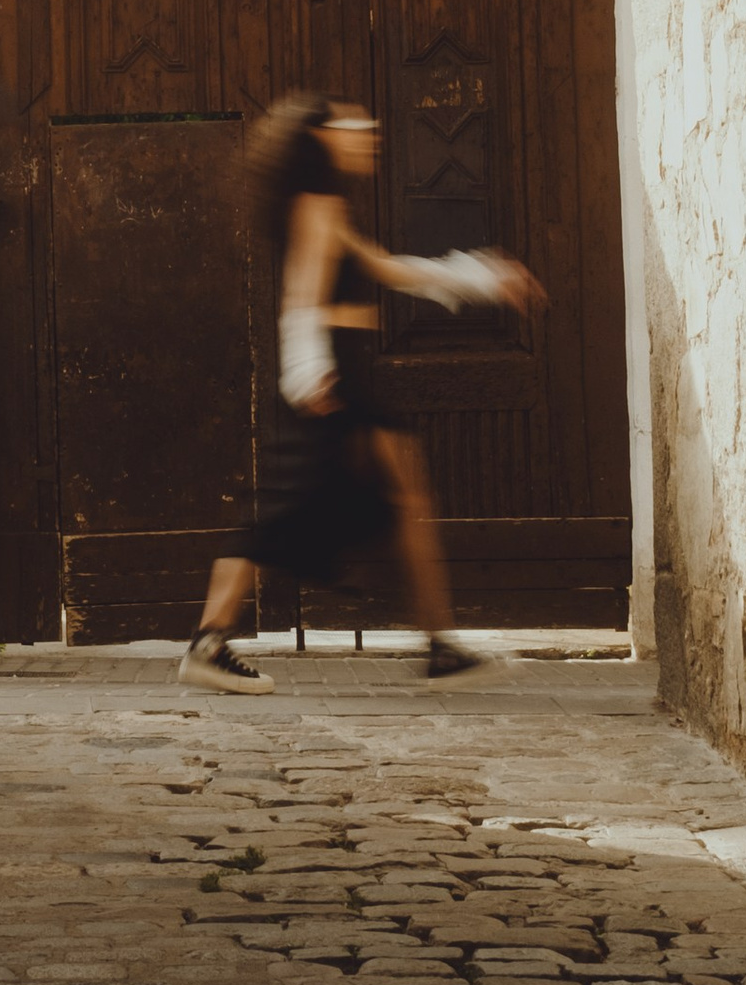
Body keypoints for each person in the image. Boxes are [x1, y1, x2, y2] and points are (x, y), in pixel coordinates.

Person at [179, 94, 545, 695]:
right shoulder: (318, 205)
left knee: (399, 495)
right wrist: (309, 371)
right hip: (328, 376)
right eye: (350, 125)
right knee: (278, 514)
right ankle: (209, 641)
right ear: (321, 139)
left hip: (338, 371)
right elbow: (302, 292)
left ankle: (440, 645)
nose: (367, 130)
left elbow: (391, 268)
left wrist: (484, 277)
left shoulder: (330, 207)